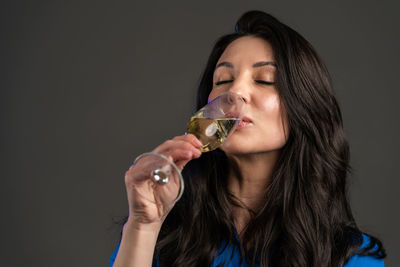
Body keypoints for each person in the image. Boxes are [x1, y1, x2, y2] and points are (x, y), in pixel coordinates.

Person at [110, 10, 386, 267]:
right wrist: (143, 226)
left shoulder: (348, 256)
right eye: (222, 80)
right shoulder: (164, 236)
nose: (235, 92)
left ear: (306, 107)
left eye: (265, 80)